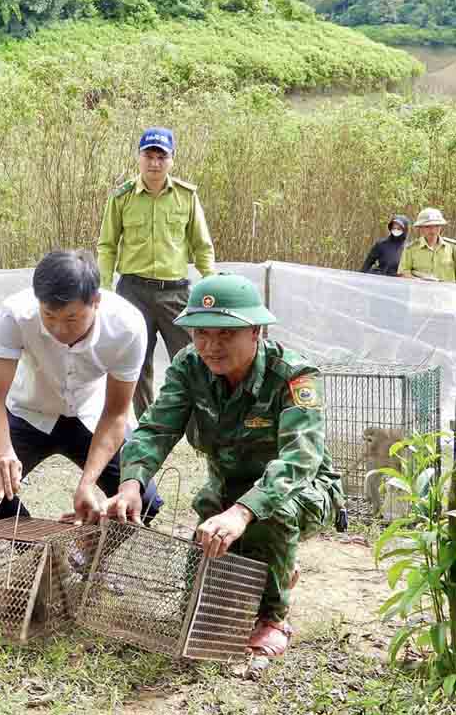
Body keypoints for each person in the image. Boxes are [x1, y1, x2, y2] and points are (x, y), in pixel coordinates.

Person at [98, 273, 344, 657]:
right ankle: (270, 568)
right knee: (209, 571)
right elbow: (156, 428)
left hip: (302, 489)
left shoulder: (293, 375)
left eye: (225, 334)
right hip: (227, 487)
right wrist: (131, 483)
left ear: (256, 331)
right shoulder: (189, 365)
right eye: (200, 333)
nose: (211, 346)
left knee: (271, 516)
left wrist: (244, 512)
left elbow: (299, 460)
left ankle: (273, 618)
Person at [0, 250, 162, 523]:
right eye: (49, 316)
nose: (59, 329)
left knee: (142, 500)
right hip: (28, 412)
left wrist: (87, 483)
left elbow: (116, 413)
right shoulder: (15, 314)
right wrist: (3, 453)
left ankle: (86, 557)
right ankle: (43, 557)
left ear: (96, 301)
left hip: (92, 417)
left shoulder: (127, 326)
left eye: (71, 319)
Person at [96, 126, 216, 420]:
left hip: (175, 291)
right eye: (148, 156)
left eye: (161, 157)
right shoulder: (122, 197)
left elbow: (202, 246)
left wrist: (210, 283)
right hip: (133, 292)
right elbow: (107, 245)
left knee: (192, 360)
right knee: (135, 363)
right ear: (139, 158)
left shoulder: (186, 197)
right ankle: (147, 428)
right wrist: (104, 289)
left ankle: (197, 425)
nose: (154, 163)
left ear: (171, 160)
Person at [397, 207, 456, 282]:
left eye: (436, 226)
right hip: (421, 292)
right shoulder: (410, 249)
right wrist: (420, 281)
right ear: (420, 228)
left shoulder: (452, 247)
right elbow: (403, 273)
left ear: (441, 227)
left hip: (446, 292)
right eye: (428, 227)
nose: (433, 230)